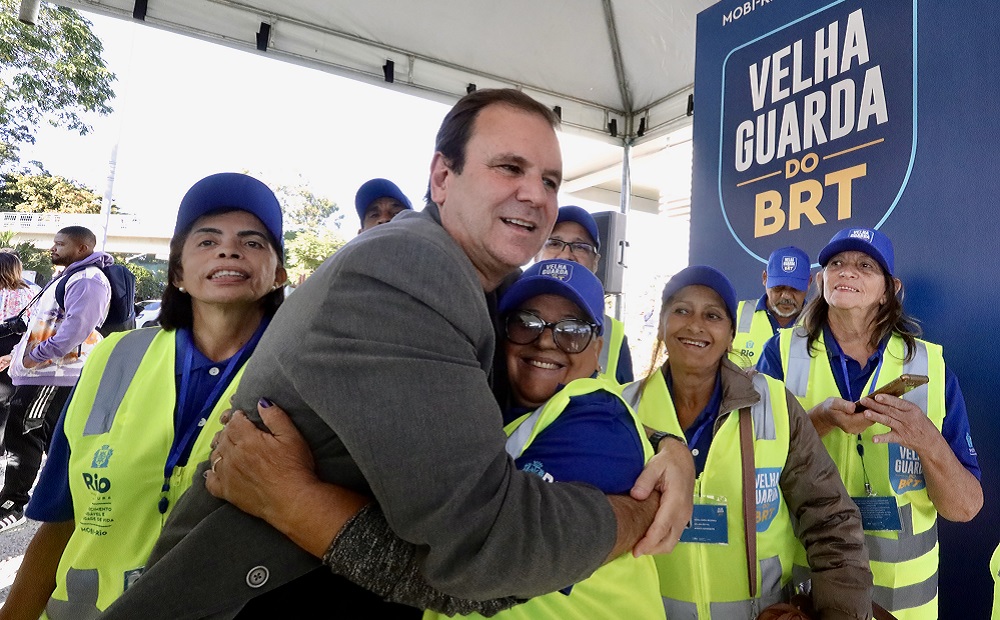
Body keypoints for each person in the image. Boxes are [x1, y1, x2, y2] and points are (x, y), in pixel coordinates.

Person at [103, 88, 694, 618]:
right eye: (509, 167)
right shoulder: (407, 269)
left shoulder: (481, 290)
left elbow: (530, 410)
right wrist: (641, 514)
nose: (535, 195)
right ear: (442, 178)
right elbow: (488, 548)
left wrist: (665, 447)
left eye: (550, 181)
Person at [0, 172, 289, 619]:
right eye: (207, 240)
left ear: (278, 274)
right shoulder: (114, 356)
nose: (228, 250)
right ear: (178, 272)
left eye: (252, 242)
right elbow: (61, 519)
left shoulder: (302, 376)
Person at [757, 227, 983, 619]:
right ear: (822, 280)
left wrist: (927, 441)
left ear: (889, 290)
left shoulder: (930, 365)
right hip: (811, 593)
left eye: (865, 265)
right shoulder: (780, 353)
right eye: (836, 263)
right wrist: (818, 422)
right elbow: (750, 470)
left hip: (905, 605)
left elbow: (965, 507)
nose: (847, 271)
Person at [622, 265, 873, 619]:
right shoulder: (622, 408)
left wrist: (841, 613)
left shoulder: (774, 403)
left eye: (712, 315)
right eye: (681, 310)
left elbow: (831, 520)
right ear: (662, 324)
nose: (695, 325)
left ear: (731, 334)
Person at [421, 258, 663, 619]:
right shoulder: (493, 406)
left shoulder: (599, 424)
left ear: (597, 350)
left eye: (572, 329)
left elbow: (495, 547)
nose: (546, 340)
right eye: (527, 323)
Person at [0, 226, 112, 532]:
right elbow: (43, 325)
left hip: (53, 373)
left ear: (81, 248)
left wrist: (35, 357)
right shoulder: (69, 277)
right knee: (56, 439)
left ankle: (13, 503)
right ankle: (75, 500)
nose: (53, 248)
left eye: (60, 244)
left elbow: (75, 331)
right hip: (46, 371)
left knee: (23, 431)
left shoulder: (88, 280)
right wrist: (16, 357)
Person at [534, 205, 634, 384]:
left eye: (580, 247)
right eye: (554, 243)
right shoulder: (502, 309)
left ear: (595, 263)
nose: (566, 255)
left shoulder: (614, 336)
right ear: (536, 254)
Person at [731, 245, 811, 368]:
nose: (786, 296)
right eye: (778, 287)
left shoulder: (821, 322)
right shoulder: (735, 314)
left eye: (795, 288)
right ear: (765, 278)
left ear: (809, 282)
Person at [0, 251, 38, 445]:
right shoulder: (30, 292)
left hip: (5, 343)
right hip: (15, 348)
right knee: (4, 401)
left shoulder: (6, 292)